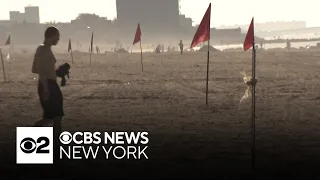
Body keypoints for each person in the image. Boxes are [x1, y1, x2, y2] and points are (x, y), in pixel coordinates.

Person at [31, 26, 64, 154]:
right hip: (47, 85)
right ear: (51, 35)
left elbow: (46, 70)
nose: (58, 39)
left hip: (51, 84)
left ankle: (57, 147)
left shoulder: (47, 49)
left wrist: (58, 73)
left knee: (56, 117)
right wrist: (45, 88)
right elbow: (38, 70)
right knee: (52, 118)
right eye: (57, 36)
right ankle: (55, 146)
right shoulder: (43, 50)